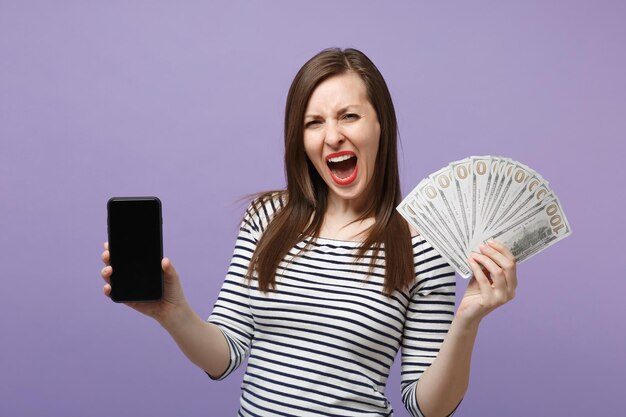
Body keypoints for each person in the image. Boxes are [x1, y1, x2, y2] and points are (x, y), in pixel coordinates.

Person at [100, 48, 517, 417]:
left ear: (380, 126)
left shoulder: (423, 246)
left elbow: (429, 408)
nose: (332, 135)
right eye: (313, 122)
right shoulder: (268, 219)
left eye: (349, 116)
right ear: (299, 139)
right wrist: (173, 314)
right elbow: (224, 355)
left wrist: (467, 321)